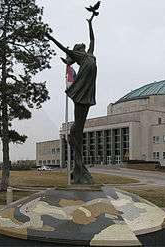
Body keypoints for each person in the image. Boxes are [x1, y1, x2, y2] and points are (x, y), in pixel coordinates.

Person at [45, 17, 97, 185]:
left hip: (88, 93)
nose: (83, 44)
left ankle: (78, 164)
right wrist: (51, 38)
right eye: (79, 45)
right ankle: (74, 144)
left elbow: (92, 39)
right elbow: (62, 47)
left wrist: (90, 23)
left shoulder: (90, 54)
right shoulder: (80, 55)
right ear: (77, 49)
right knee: (77, 127)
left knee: (80, 126)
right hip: (80, 91)